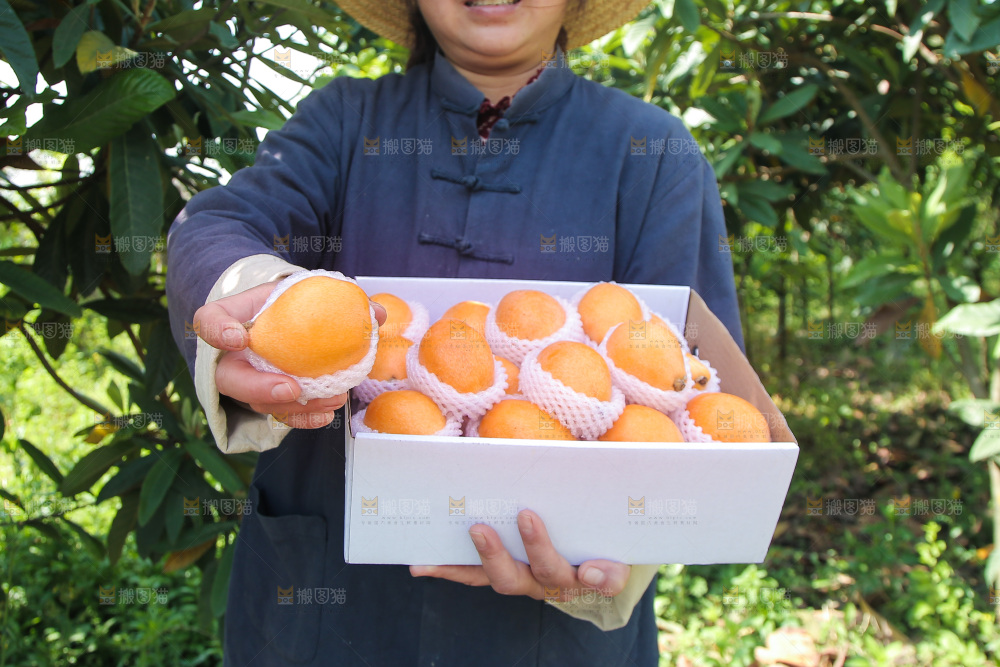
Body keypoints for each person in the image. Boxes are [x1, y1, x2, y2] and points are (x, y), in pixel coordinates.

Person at [166, 0, 744, 664]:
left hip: (548, 636)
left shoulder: (654, 154)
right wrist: (247, 298)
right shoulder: (343, 121)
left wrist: (618, 552)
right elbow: (218, 225)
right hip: (328, 610)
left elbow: (691, 395)